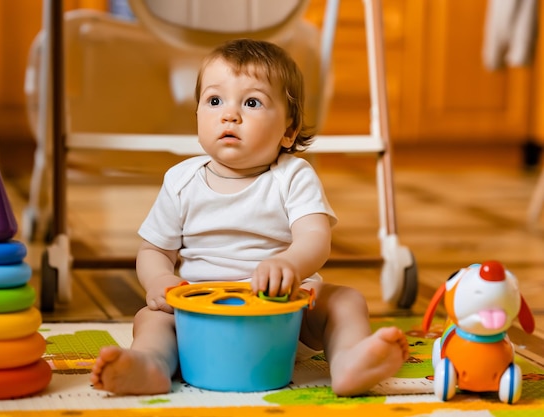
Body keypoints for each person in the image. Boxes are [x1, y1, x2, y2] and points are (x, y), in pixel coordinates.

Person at [90, 38, 409, 397]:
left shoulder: (293, 175)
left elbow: (315, 238)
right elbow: (154, 250)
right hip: (200, 314)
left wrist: (289, 262)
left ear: (288, 131)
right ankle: (150, 365)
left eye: (252, 102)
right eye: (214, 101)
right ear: (197, 115)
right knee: (150, 320)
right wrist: (159, 281)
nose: (230, 114)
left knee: (346, 300)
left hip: (285, 311)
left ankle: (349, 360)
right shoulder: (180, 181)